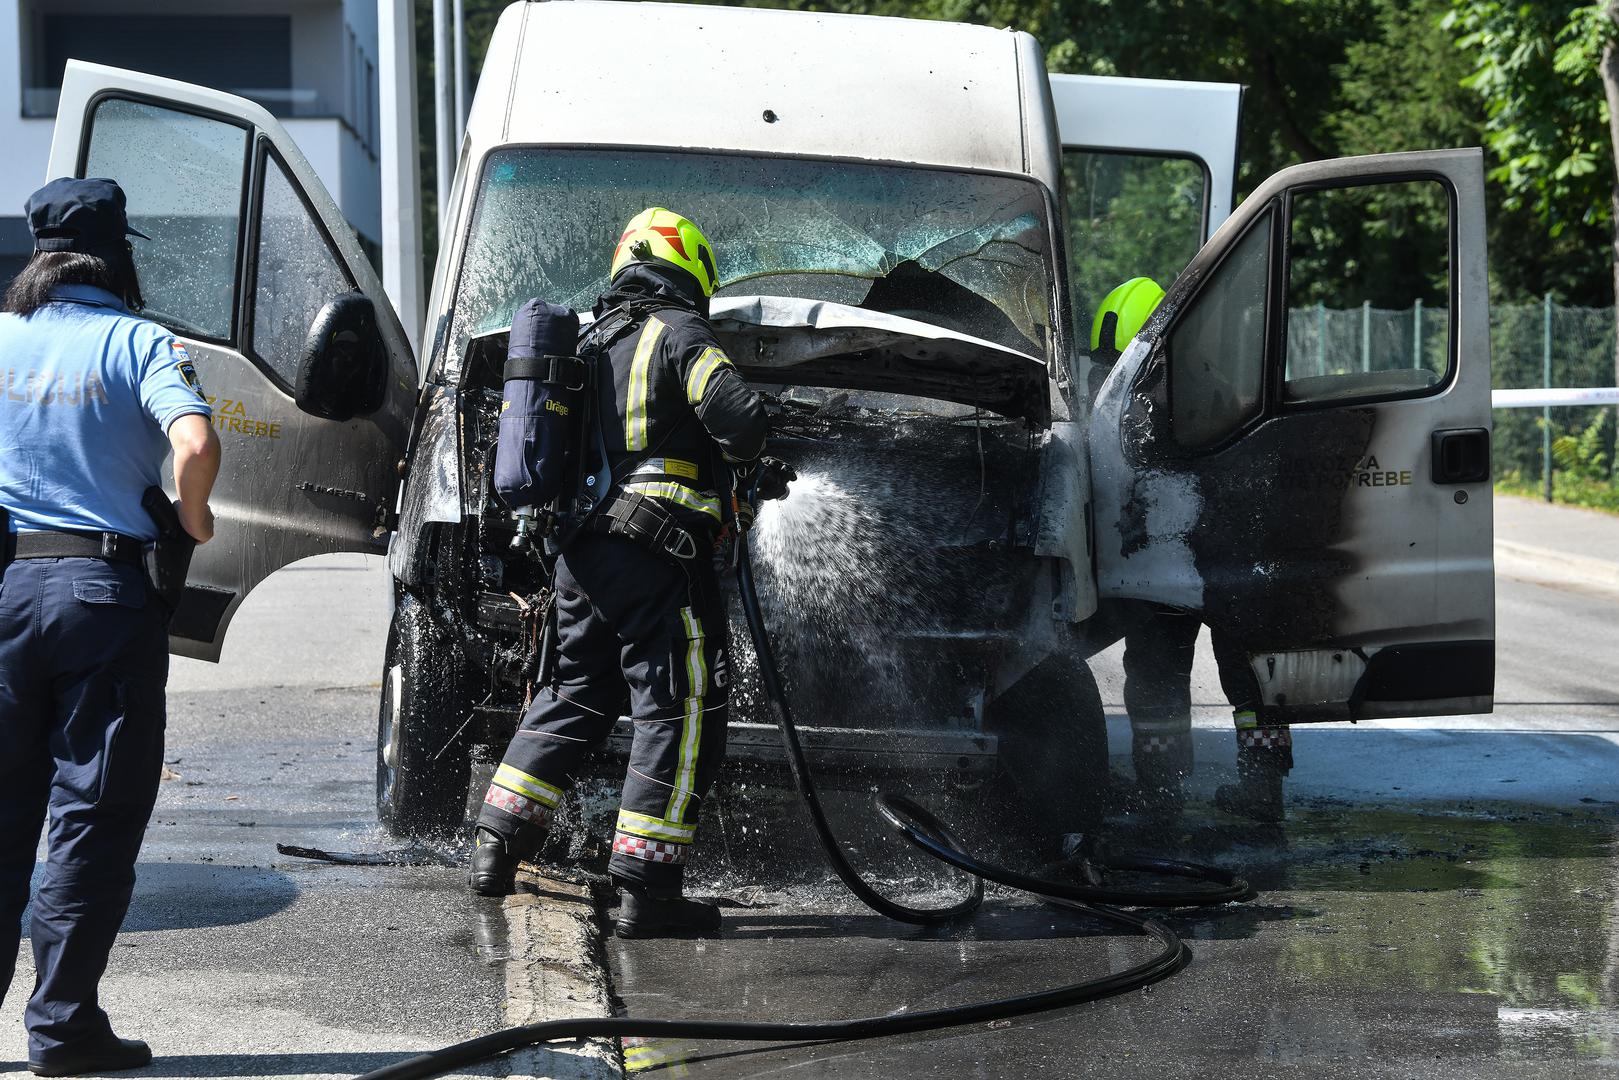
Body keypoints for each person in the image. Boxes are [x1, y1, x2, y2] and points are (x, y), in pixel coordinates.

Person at [468, 207, 791, 937]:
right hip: (656, 554)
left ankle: (495, 846)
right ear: (692, 267)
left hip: (579, 554)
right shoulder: (678, 332)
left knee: (577, 690)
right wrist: (747, 459)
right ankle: (648, 887)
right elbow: (737, 416)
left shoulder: (589, 341)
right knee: (677, 705)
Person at [0, 177, 220, 1075]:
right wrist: (195, 522)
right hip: (102, 596)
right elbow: (197, 444)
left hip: (7, 589)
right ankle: (61, 1030)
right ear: (117, 254)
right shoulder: (141, 340)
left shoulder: (2, 337)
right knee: (91, 814)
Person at [1088, 277, 1293, 823]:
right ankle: (1262, 790)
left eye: (1115, 359)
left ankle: (1161, 790)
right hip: (1234, 560)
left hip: (1171, 564)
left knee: (1158, 672)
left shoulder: (1140, 403)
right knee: (1250, 678)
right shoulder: (1219, 385)